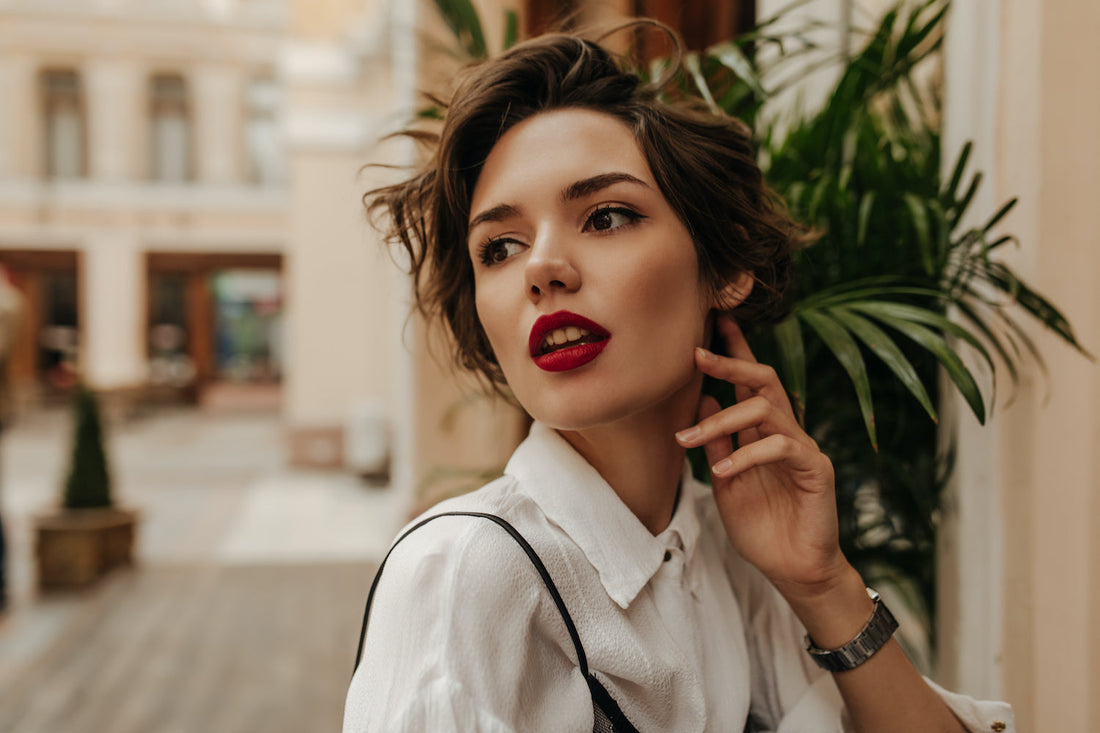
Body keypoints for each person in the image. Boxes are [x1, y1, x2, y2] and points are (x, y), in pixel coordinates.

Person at [344, 24, 1014, 733]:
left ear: (722, 270)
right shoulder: (463, 575)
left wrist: (824, 585)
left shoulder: (732, 554)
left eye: (605, 216)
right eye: (500, 247)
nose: (542, 267)